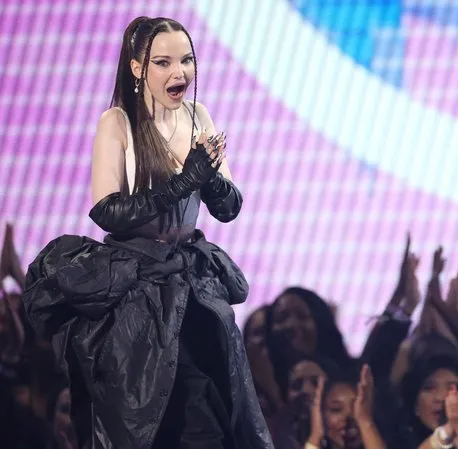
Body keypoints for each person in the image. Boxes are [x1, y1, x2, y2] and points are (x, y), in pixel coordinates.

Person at [21, 16, 273, 449]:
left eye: (187, 60)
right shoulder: (117, 123)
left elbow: (228, 207)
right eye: (164, 62)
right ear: (137, 68)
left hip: (192, 286)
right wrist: (181, 181)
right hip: (137, 298)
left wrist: (208, 177)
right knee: (144, 421)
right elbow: (107, 210)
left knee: (210, 418)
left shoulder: (199, 116)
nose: (180, 73)